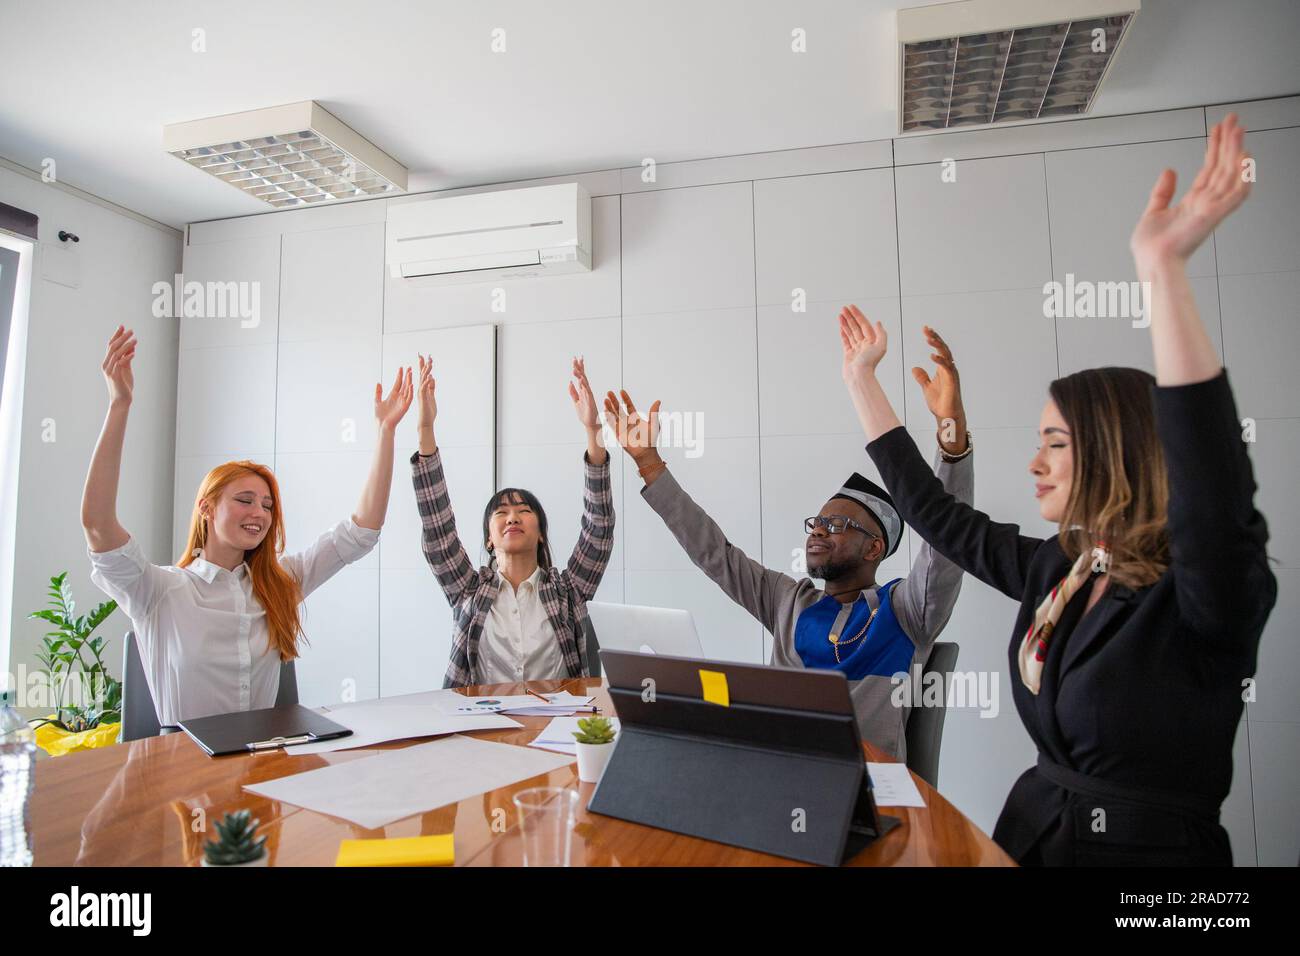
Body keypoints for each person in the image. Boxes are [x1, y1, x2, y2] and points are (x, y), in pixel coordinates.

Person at [842, 114, 1275, 865]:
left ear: (1118, 451)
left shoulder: (1204, 587)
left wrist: (1162, 272)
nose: (1035, 463)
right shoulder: (1061, 569)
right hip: (1034, 836)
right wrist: (861, 383)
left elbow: (1212, 488)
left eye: (1056, 443)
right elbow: (936, 515)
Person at [602, 361, 974, 760]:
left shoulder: (906, 611)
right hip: (775, 771)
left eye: (837, 524)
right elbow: (714, 552)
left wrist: (952, 447)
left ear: (874, 548)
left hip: (866, 789)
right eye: (817, 522)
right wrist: (649, 463)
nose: (818, 531)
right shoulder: (789, 600)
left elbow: (945, 547)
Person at [82, 327, 414, 727]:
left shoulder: (279, 582)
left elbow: (362, 531)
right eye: (244, 500)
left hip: (261, 763)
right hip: (184, 773)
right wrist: (120, 404)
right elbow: (98, 525)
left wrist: (386, 432)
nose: (259, 513)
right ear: (206, 507)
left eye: (268, 505)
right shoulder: (160, 591)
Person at [412, 354, 614, 687]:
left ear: (540, 536)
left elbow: (599, 527)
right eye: (501, 512)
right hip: (481, 726)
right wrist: (425, 428)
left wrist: (593, 431)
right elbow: (438, 526)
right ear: (489, 538)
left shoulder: (568, 591)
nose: (512, 518)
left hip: (557, 728)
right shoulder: (468, 591)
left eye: (524, 510)